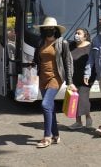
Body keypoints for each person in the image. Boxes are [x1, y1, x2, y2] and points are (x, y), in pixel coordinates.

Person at [32, 17, 75, 149]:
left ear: (55, 30)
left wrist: (70, 82)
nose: (48, 31)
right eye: (45, 29)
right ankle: (56, 135)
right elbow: (36, 60)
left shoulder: (62, 43)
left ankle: (47, 137)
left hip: (56, 78)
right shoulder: (40, 43)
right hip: (43, 78)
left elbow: (67, 62)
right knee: (49, 107)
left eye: (51, 29)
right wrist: (30, 65)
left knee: (45, 104)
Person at [68, 27, 94, 130]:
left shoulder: (90, 47)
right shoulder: (71, 46)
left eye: (79, 33)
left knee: (82, 98)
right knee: (74, 98)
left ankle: (88, 117)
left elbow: (93, 62)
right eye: (76, 33)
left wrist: (91, 75)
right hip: (73, 78)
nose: (76, 35)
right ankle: (78, 122)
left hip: (86, 78)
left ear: (85, 36)